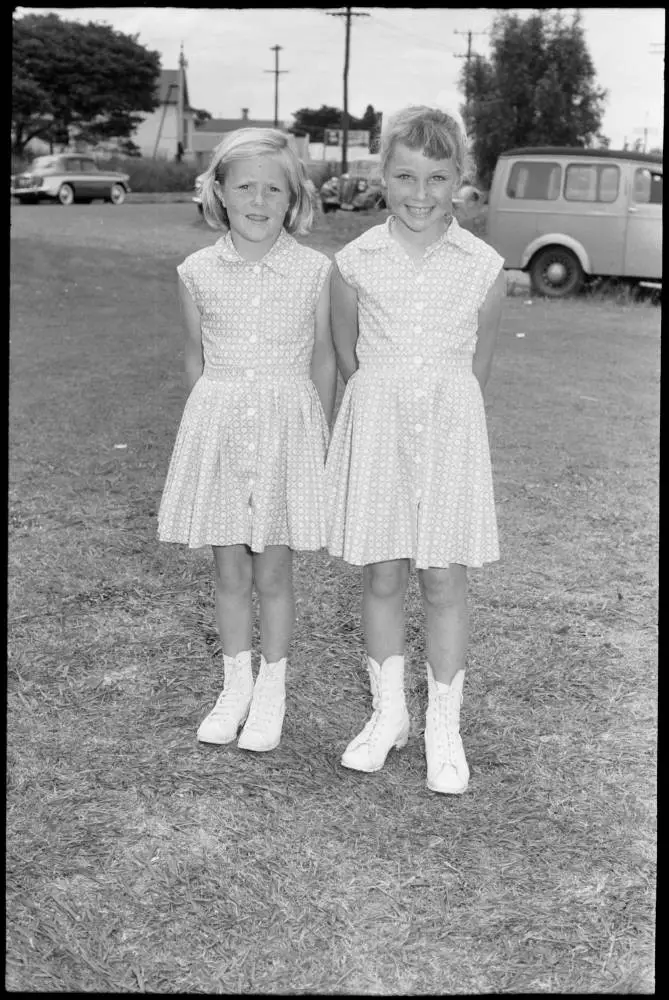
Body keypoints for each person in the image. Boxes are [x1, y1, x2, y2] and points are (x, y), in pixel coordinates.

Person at [326, 105, 505, 794]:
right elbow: (348, 358)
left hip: (450, 433)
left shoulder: (484, 268)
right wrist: (388, 410)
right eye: (404, 175)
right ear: (382, 176)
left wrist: (432, 409)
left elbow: (477, 369)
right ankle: (389, 716)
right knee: (382, 577)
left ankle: (443, 729)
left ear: (460, 177)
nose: (420, 193)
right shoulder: (354, 262)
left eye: (437, 176)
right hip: (378, 430)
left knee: (442, 580)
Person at [158, 128, 336, 752]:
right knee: (229, 569)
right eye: (245, 187)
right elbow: (193, 359)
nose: (258, 200)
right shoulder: (196, 271)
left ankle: (271, 691)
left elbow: (323, 361)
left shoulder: (316, 271)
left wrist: (320, 439)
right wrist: (204, 440)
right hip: (221, 425)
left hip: (287, 424)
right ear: (219, 193)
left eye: (273, 188)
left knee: (275, 573)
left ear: (293, 199)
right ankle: (234, 687)